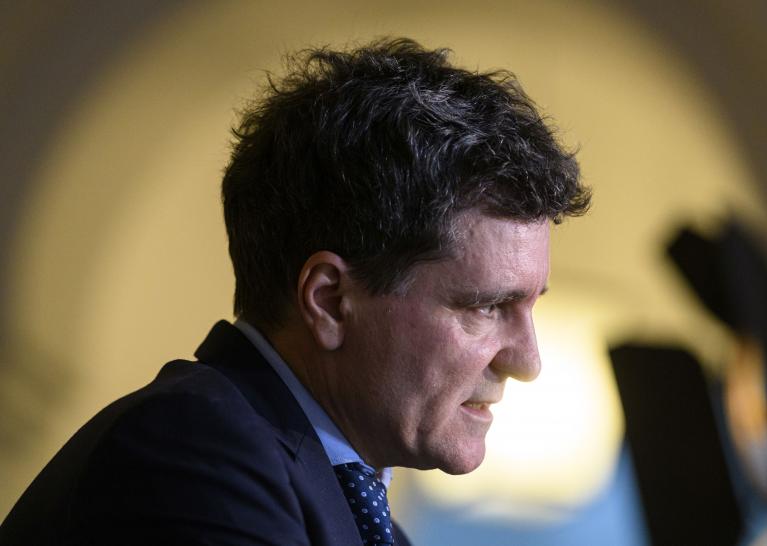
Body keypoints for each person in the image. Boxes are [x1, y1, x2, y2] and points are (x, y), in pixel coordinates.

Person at [0, 38, 589, 545]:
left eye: (529, 306)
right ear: (329, 301)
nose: (527, 362)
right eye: (486, 306)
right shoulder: (192, 455)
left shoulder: (357, 514)